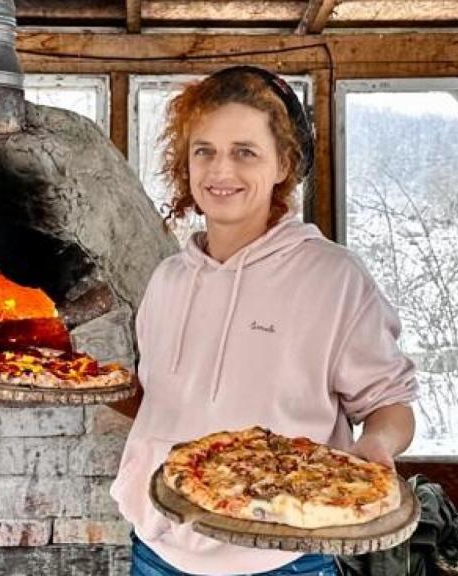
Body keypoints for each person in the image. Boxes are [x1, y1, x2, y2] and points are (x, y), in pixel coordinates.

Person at [108, 66, 418, 576]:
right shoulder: (167, 279)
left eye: (244, 152)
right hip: (157, 545)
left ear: (283, 164)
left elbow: (390, 404)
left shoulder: (332, 277)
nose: (220, 171)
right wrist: (81, 382)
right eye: (203, 150)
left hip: (286, 555)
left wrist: (377, 446)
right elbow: (164, 402)